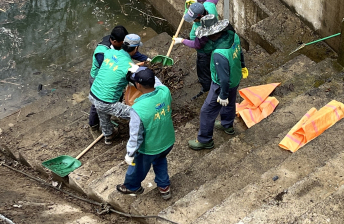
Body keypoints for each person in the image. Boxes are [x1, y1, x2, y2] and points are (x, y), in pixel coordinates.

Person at [188, 15, 247, 150]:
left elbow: (223, 78)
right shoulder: (233, 36)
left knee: (207, 111)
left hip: (222, 85)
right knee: (230, 103)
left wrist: (223, 94)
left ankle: (205, 140)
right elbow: (240, 52)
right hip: (236, 76)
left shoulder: (219, 54)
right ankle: (227, 125)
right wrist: (243, 65)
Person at [116, 68, 175, 199]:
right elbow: (158, 83)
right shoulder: (164, 92)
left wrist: (130, 153)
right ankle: (164, 187)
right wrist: (141, 69)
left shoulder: (138, 109)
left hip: (150, 148)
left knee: (137, 167)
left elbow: (136, 135)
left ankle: (132, 186)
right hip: (167, 141)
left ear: (138, 85)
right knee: (160, 160)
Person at [88, 26, 149, 136]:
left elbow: (114, 67)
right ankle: (143, 134)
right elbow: (136, 80)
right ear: (135, 49)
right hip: (105, 99)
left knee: (104, 117)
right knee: (138, 115)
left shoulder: (110, 53)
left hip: (93, 94)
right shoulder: (129, 66)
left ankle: (108, 137)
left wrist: (145, 60)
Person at [173, 0, 219, 96]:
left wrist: (181, 41)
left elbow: (197, 45)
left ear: (201, 16)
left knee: (203, 69)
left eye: (194, 19)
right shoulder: (208, 6)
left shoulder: (204, 28)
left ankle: (206, 87)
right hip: (213, 43)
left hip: (205, 50)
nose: (193, 21)